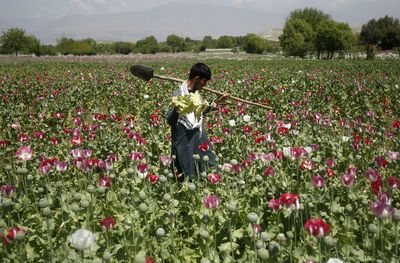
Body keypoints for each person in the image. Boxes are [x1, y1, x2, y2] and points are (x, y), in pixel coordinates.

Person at [166, 62, 226, 181]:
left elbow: (200, 110)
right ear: (197, 78)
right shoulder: (179, 95)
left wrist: (218, 102)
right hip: (185, 143)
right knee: (188, 174)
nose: (204, 85)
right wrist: (177, 109)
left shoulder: (196, 95)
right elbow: (169, 120)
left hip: (199, 139)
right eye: (204, 81)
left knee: (211, 166)